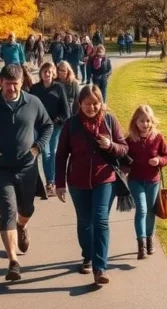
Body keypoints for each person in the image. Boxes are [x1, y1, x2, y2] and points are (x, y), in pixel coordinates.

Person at [0, 64, 53, 282]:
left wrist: (37, 148)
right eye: (8, 85)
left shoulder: (32, 102)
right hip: (0, 170)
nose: (12, 89)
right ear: (0, 83)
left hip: (27, 168)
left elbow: (48, 126)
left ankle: (22, 226)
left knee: (27, 208)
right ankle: (13, 261)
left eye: (16, 85)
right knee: (7, 213)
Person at [55, 85, 130, 284]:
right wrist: (59, 183)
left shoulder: (109, 120)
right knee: (85, 221)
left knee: (101, 220)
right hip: (77, 181)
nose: (92, 107)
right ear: (80, 103)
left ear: (101, 103)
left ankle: (100, 268)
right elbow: (61, 155)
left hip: (104, 179)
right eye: (87, 103)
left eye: (96, 103)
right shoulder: (71, 125)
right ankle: (87, 255)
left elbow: (124, 148)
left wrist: (111, 145)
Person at [125, 104, 167, 260]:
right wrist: (125, 167)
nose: (145, 124)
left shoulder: (158, 138)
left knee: (151, 212)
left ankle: (150, 238)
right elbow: (123, 157)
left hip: (152, 181)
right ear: (135, 122)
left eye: (148, 121)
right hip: (135, 180)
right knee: (142, 210)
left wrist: (158, 160)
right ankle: (141, 245)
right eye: (142, 121)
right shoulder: (130, 140)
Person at [29, 62, 70, 196]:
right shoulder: (35, 89)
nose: (47, 74)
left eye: (50, 71)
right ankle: (50, 183)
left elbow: (66, 111)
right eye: (45, 71)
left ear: (54, 73)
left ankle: (52, 182)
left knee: (52, 152)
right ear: (41, 73)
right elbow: (29, 108)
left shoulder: (59, 88)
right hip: (40, 126)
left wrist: (57, 120)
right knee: (46, 153)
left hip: (55, 126)